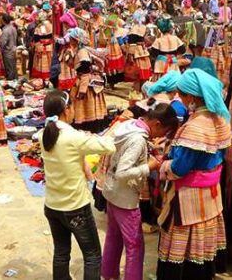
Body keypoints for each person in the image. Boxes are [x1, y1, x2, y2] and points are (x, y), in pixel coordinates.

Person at [157, 68, 231, 280]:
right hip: (210, 193)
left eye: (183, 94)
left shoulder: (196, 127)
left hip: (188, 195)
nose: (181, 98)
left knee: (183, 241)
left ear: (192, 96)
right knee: (202, 239)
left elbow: (180, 168)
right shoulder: (219, 119)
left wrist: (164, 166)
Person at [38, 90, 116, 280]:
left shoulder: (43, 134)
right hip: (75, 208)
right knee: (92, 255)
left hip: (52, 205)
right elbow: (110, 146)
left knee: (61, 253)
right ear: (67, 109)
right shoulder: (73, 137)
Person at [101, 102, 179, 280]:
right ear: (157, 124)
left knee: (113, 237)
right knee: (135, 246)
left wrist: (150, 148)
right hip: (125, 199)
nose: (161, 136)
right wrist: (148, 166)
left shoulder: (130, 125)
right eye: (163, 132)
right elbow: (123, 172)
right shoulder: (138, 139)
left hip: (111, 191)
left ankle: (108, 274)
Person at [71, 29, 108, 133]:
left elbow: (85, 72)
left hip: (87, 83)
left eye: (71, 39)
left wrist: (82, 90)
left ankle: (88, 127)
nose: (69, 41)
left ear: (76, 40)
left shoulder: (82, 52)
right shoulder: (83, 50)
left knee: (86, 106)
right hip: (90, 81)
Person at [149, 16, 185, 82]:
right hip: (173, 62)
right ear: (170, 29)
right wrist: (175, 55)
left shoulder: (158, 40)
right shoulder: (175, 38)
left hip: (161, 64)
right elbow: (183, 50)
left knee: (161, 81)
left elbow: (153, 53)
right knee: (174, 80)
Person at [31, 13, 54, 80]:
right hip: (49, 47)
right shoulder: (51, 25)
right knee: (49, 62)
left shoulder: (38, 27)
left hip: (41, 46)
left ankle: (42, 77)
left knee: (41, 63)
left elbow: (36, 39)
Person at [0, 14, 19, 80]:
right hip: (13, 49)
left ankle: (11, 83)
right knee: (13, 67)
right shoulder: (13, 28)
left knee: (9, 68)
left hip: (8, 51)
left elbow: (3, 42)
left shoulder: (5, 30)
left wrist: (1, 49)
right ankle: (15, 80)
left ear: (3, 21)